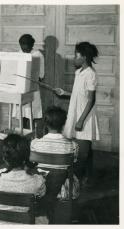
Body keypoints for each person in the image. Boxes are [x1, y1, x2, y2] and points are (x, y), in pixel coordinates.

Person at [54, 41, 99, 186]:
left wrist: (81, 120)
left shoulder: (91, 74)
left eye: (76, 55)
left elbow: (91, 100)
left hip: (84, 115)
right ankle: (88, 175)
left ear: (84, 57)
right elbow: (77, 94)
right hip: (76, 112)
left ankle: (76, 180)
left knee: (83, 151)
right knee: (86, 148)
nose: (74, 58)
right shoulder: (78, 72)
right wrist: (64, 93)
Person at [30, 106, 79, 223]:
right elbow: (74, 162)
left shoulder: (35, 144)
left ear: (45, 124)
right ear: (64, 124)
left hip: (41, 183)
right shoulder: (72, 145)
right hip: (61, 184)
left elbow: (32, 163)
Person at [0, 134, 48, 224]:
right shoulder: (37, 181)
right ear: (26, 157)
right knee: (44, 219)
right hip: (23, 222)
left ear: (4, 158)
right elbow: (41, 193)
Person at [13, 34, 45, 132]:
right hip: (20, 89)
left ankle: (33, 134)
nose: (25, 50)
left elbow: (41, 75)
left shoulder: (37, 55)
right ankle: (23, 133)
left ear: (32, 45)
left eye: (27, 48)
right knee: (21, 113)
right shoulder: (18, 54)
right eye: (22, 47)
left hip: (32, 88)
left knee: (32, 113)